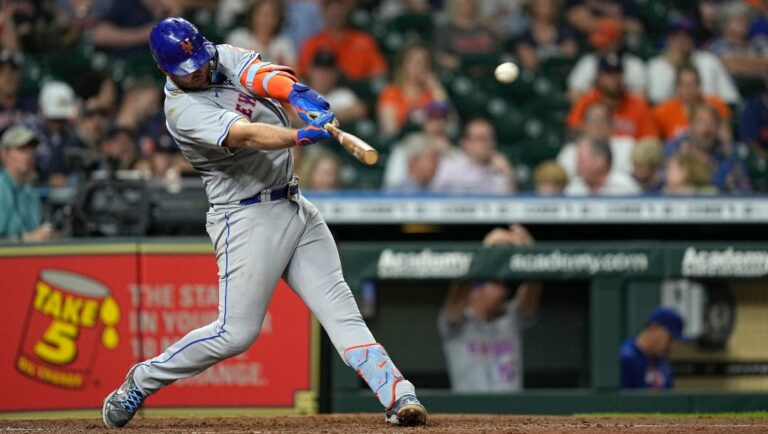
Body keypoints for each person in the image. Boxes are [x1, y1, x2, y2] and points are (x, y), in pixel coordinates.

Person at [101, 17, 427, 428]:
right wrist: (300, 136)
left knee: (341, 309)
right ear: (165, 70)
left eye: (200, 60)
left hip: (293, 203)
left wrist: (296, 94)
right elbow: (248, 135)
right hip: (245, 216)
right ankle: (142, 380)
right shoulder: (182, 110)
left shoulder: (219, 56)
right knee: (235, 334)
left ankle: (397, 393)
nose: (198, 71)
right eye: (188, 69)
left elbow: (260, 75)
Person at [439, 224, 542, 393]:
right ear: (478, 291)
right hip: (469, 407)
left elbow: (533, 287)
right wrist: (485, 252)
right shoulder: (458, 323)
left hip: (511, 407)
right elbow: (460, 289)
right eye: (497, 284)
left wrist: (530, 254)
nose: (504, 291)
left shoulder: (511, 319)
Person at [646, 16, 740, 105]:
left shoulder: (709, 61)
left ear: (694, 40)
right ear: (668, 39)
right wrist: (673, 68)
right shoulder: (655, 65)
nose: (682, 40)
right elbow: (656, 101)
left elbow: (731, 99)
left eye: (687, 36)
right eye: (676, 35)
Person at [567, 54, 658, 140]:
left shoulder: (639, 106)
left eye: (617, 73)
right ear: (598, 77)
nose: (614, 78)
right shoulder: (586, 101)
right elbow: (573, 130)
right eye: (608, 73)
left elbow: (650, 139)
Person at [665, 103, 751, 194]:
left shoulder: (728, 152)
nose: (706, 128)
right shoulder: (675, 149)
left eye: (711, 122)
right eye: (700, 121)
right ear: (691, 125)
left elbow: (744, 191)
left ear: (718, 127)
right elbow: (659, 187)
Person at [298, 0, 387, 81]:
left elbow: (379, 72)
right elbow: (301, 73)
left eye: (340, 9)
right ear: (323, 13)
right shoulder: (312, 43)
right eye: (331, 10)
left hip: (355, 90)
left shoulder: (364, 41)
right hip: (321, 90)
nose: (336, 13)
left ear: (347, 12)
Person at [377, 42, 448, 138]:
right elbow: (390, 130)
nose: (420, 67)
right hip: (403, 141)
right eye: (416, 62)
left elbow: (451, 124)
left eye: (425, 63)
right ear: (403, 64)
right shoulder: (391, 93)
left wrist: (436, 88)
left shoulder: (432, 93)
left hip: (433, 139)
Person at [0, 125, 57, 242]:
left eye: (32, 149)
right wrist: (25, 239)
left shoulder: (30, 192)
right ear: (4, 153)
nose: (29, 155)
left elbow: (35, 232)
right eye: (21, 149)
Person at [566, 18, 646, 100]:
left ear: (616, 42)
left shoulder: (634, 64)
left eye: (605, 42)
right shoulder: (588, 61)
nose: (600, 45)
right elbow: (572, 94)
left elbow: (640, 97)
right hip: (593, 106)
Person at [431, 117, 515, 194]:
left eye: (490, 138)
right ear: (465, 143)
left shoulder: (498, 168)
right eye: (481, 139)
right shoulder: (449, 166)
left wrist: (508, 173)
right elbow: (432, 197)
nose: (487, 144)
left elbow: (508, 201)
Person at [653, 65, 732, 142]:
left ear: (699, 85)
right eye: (684, 84)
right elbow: (654, 141)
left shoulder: (715, 105)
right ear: (677, 87)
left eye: (693, 84)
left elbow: (726, 139)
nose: (688, 89)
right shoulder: (663, 111)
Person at [558, 101, 635, 178]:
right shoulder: (570, 150)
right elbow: (560, 179)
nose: (597, 125)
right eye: (592, 120)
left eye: (602, 120)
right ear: (583, 126)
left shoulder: (627, 146)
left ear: (611, 125)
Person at [620, 307, 686, 389]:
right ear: (654, 328)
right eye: (671, 339)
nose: (673, 346)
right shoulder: (625, 358)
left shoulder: (662, 364)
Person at [433, 0, 499, 73]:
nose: (466, 6)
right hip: (458, 73)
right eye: (462, 3)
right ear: (454, 5)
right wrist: (455, 63)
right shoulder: (445, 30)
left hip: (488, 71)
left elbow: (498, 53)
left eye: (468, 2)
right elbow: (439, 55)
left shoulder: (488, 29)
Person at [225, 0, 297, 68]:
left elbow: (294, 71)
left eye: (271, 16)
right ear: (252, 15)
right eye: (263, 15)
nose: (266, 20)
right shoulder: (238, 39)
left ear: (278, 19)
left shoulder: (284, 43)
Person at [707, 1, 768, 81]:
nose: (744, 23)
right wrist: (759, 64)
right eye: (739, 19)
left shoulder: (758, 42)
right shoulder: (716, 46)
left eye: (747, 20)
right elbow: (730, 64)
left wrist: (741, 62)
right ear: (724, 23)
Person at [512, 0, 578, 72]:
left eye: (551, 5)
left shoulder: (566, 32)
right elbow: (529, 63)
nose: (548, 9)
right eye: (543, 5)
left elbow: (570, 58)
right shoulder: (524, 37)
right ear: (533, 7)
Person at [565, 135, 641, 196]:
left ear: (599, 160)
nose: (576, 164)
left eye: (580, 158)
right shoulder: (574, 187)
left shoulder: (625, 187)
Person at [304, 50, 366, 123]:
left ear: (336, 74)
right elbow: (295, 118)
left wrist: (316, 116)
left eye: (328, 72)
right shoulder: (300, 92)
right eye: (320, 71)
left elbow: (360, 110)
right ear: (310, 71)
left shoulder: (344, 95)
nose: (323, 76)